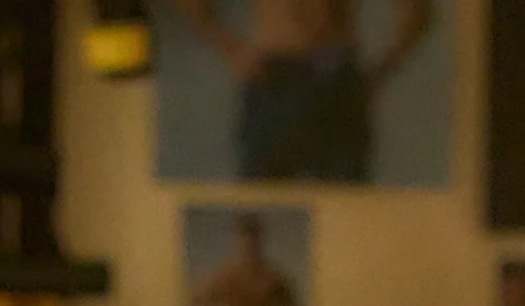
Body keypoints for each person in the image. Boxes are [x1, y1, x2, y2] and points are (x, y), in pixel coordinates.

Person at [165, 0, 437, 184]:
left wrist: (381, 72)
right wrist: (232, 50)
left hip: (334, 80)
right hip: (275, 79)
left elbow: (419, 11)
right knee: (262, 205)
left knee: (345, 216)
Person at [189, 212, 305, 306]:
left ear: (260, 241)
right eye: (244, 240)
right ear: (237, 241)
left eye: (254, 240)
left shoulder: (273, 279)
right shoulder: (223, 278)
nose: (249, 246)